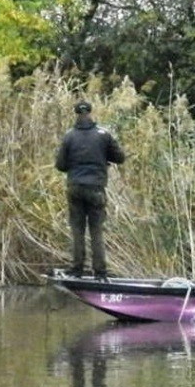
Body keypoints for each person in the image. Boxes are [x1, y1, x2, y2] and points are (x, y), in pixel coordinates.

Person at [55, 101, 125, 278]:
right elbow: (120, 157)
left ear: (76, 114)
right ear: (91, 113)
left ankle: (77, 269)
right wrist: (103, 157)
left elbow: (60, 165)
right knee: (96, 230)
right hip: (96, 188)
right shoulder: (103, 135)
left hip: (75, 187)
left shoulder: (69, 136)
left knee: (77, 230)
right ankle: (100, 272)